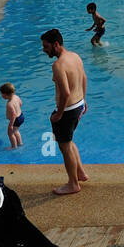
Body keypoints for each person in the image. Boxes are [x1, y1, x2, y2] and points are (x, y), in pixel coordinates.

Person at [42, 29, 88, 195]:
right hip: (78, 105)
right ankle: (80, 173)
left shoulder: (58, 65)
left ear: (56, 44)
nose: (44, 50)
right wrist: (84, 100)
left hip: (67, 110)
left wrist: (59, 114)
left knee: (64, 146)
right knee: (69, 141)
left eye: (46, 47)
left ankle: (73, 184)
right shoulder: (75, 56)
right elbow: (83, 77)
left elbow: (65, 93)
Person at [1, 83, 24, 149]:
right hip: (21, 116)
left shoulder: (9, 104)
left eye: (1, 94)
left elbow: (13, 115)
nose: (1, 95)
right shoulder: (16, 97)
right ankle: (20, 143)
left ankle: (14, 146)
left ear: (5, 95)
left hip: (15, 119)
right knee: (16, 131)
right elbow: (20, 103)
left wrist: (10, 125)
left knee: (10, 133)